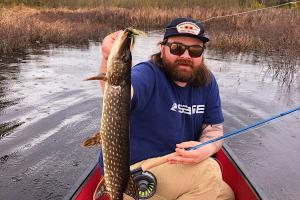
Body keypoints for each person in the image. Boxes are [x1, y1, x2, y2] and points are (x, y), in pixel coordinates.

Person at [99, 17, 234, 200]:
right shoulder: (148, 74)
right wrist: (108, 57)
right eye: (177, 48)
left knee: (227, 194)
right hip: (132, 173)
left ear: (202, 54)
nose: (186, 56)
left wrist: (207, 148)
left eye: (195, 50)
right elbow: (118, 91)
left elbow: (215, 129)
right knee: (210, 171)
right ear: (162, 49)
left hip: (174, 166)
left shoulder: (207, 83)